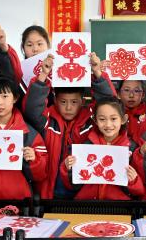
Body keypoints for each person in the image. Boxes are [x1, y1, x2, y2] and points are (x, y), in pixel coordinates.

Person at [23, 52, 116, 199]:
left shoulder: (91, 120)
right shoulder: (48, 120)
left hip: (83, 191)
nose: (68, 108)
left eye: (74, 102)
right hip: (51, 191)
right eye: (63, 102)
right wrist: (43, 75)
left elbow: (110, 105)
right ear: (55, 100)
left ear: (83, 101)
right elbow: (32, 109)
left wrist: (97, 72)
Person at [61, 98, 144, 200]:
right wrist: (67, 168)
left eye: (113, 119)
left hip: (119, 205)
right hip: (87, 203)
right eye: (102, 119)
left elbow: (140, 191)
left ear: (123, 119)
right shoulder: (86, 146)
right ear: (95, 120)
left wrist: (134, 180)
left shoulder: (132, 148)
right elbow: (72, 186)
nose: (108, 124)